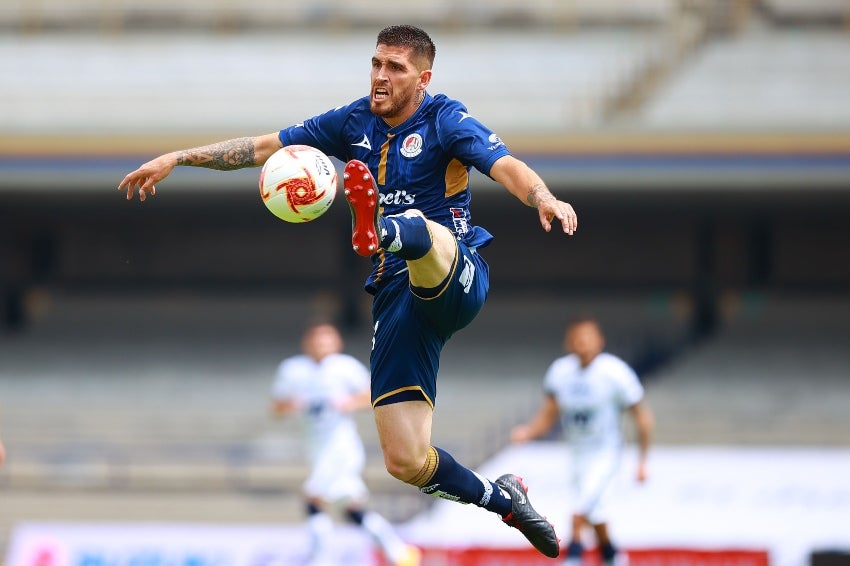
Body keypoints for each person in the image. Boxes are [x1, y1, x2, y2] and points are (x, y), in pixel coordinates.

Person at [118, 24, 577, 558]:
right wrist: (177, 157)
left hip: (454, 270)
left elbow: (507, 167)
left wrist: (543, 197)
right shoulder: (352, 120)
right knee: (406, 460)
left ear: (423, 78)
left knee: (421, 233)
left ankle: (379, 228)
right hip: (396, 299)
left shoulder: (446, 118)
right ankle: (503, 499)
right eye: (376, 63)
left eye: (395, 68)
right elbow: (263, 147)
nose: (381, 76)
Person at [271, 322, 420, 566]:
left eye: (327, 341)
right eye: (317, 340)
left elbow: (373, 393)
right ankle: (400, 554)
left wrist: (348, 402)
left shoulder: (345, 368)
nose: (322, 346)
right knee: (352, 510)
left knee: (313, 497)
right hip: (317, 450)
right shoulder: (293, 370)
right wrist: (293, 404)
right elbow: (277, 406)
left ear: (337, 344)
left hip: (342, 448)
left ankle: (319, 560)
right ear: (307, 343)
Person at [510, 318, 654, 566]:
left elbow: (642, 416)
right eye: (577, 338)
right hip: (577, 453)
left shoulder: (615, 372)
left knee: (580, 508)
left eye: (587, 337)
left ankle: (572, 557)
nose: (582, 343)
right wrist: (529, 431)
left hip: (606, 453)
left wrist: (643, 460)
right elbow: (549, 413)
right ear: (569, 343)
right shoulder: (560, 372)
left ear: (600, 341)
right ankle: (614, 558)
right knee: (596, 514)